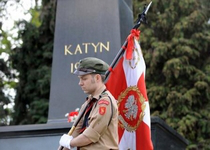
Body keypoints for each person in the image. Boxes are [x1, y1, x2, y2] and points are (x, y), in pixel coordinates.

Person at [59, 57, 119, 150]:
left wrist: (69, 142)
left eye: (84, 78)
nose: (80, 83)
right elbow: (76, 130)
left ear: (97, 78)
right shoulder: (89, 103)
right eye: (80, 79)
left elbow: (89, 136)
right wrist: (65, 146)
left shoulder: (105, 102)